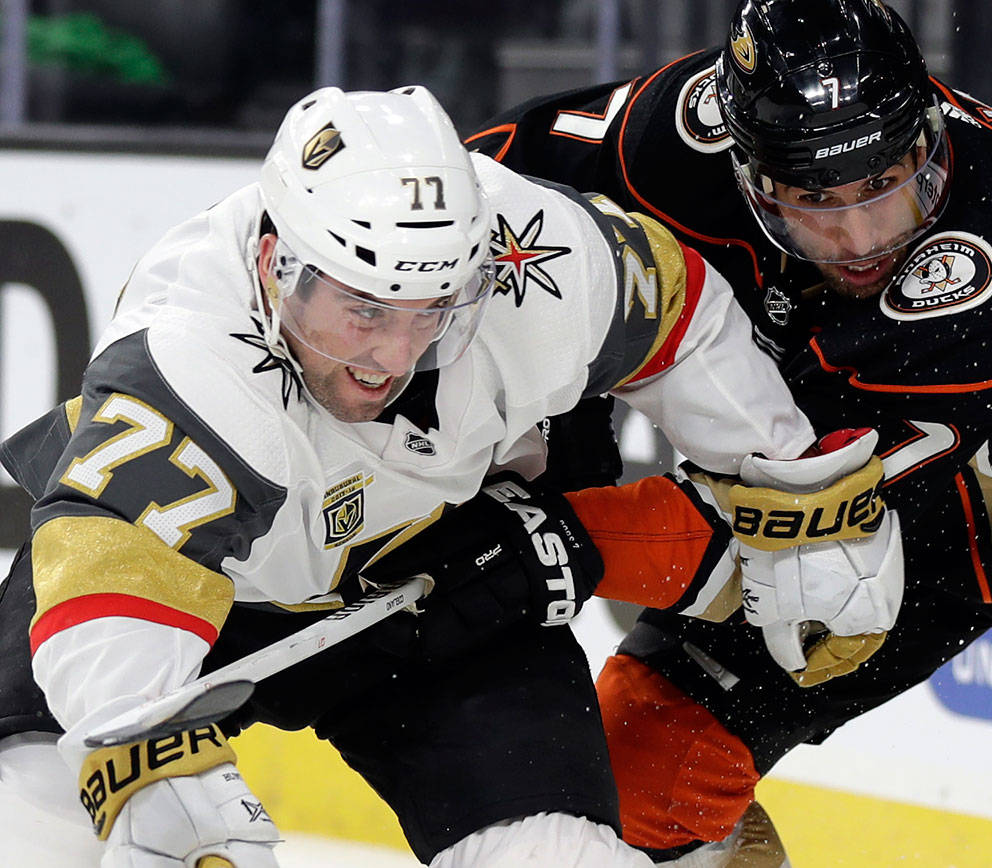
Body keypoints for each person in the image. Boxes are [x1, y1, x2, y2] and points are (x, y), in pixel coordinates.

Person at [0, 82, 905, 867]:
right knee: (32, 825)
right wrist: (143, 755)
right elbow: (112, 573)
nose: (392, 357)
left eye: (431, 307)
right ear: (280, 265)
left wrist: (795, 487)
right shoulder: (192, 345)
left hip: (436, 583)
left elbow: (681, 315)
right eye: (362, 310)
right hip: (209, 595)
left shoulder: (535, 257)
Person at [466, 0, 992, 862]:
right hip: (899, 511)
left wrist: (529, 544)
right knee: (635, 781)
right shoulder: (681, 132)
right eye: (813, 198)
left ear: (927, 134)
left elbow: (784, 506)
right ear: (744, 165)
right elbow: (483, 181)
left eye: (885, 187)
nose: (858, 240)